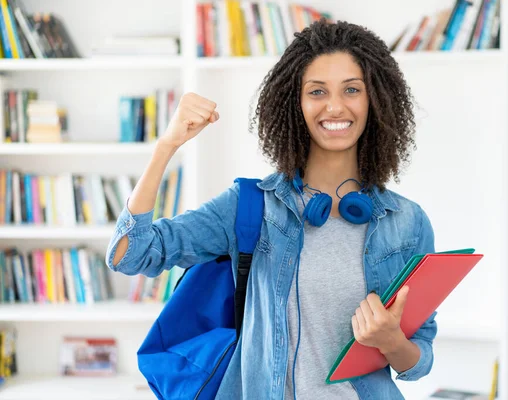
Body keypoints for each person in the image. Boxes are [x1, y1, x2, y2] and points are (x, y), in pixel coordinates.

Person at [106, 19, 437, 400]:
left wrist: (392, 341)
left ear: (375, 99)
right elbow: (129, 254)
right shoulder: (251, 207)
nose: (335, 105)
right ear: (294, 103)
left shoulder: (407, 223)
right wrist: (166, 146)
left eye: (352, 89)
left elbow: (419, 357)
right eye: (317, 91)